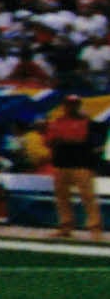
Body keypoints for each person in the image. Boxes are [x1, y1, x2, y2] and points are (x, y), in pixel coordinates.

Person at [45, 93, 100, 241]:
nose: (71, 107)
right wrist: (68, 140)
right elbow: (50, 140)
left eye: (74, 104)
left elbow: (85, 140)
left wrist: (65, 140)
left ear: (78, 105)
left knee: (88, 196)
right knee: (62, 197)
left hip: (81, 164)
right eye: (68, 104)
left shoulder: (87, 122)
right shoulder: (57, 122)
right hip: (61, 163)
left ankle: (95, 228)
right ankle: (65, 226)